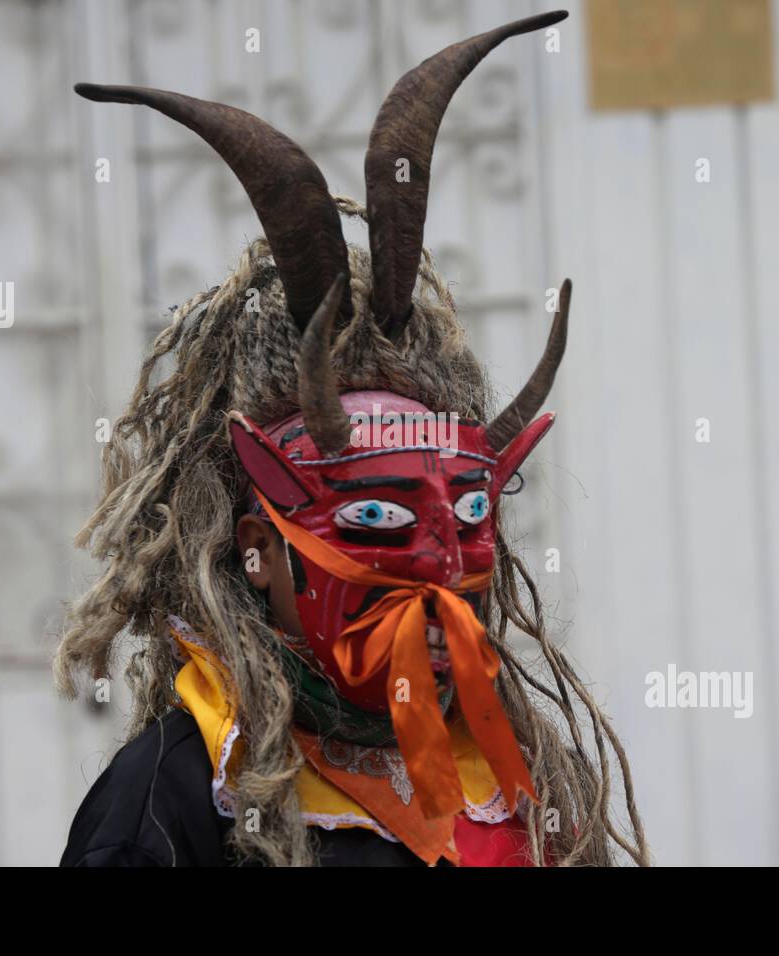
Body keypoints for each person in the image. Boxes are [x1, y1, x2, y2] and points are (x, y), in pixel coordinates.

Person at [57, 9, 647, 867]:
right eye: (375, 521)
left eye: (472, 511)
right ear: (258, 548)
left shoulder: (523, 781)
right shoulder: (174, 804)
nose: (443, 575)